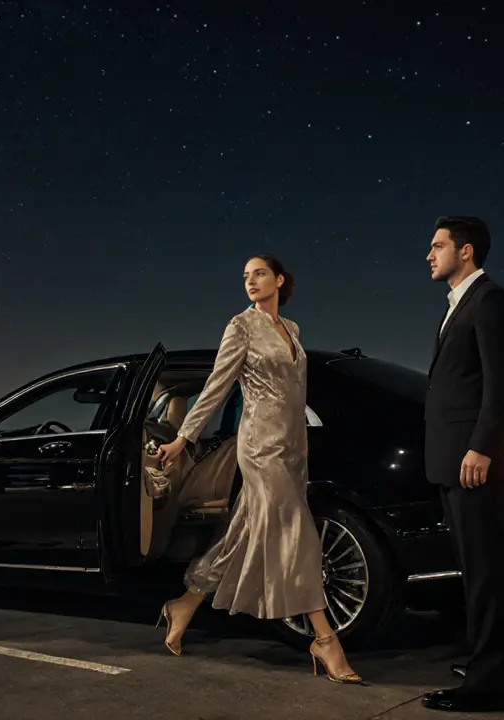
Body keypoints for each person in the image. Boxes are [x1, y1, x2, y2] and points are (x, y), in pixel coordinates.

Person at [154, 253, 362, 685]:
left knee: (246, 530)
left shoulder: (293, 331)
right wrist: (183, 437)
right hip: (259, 446)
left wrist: (303, 444)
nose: (250, 281)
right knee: (294, 528)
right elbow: (217, 385)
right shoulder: (241, 326)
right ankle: (324, 638)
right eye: (245, 276)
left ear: (279, 280)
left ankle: (185, 604)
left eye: (259, 273)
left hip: (291, 446)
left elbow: (296, 392)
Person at [420, 216, 504, 713]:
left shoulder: (490, 300)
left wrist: (482, 446)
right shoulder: (458, 305)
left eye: (437, 246)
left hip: (473, 462)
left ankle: (490, 686)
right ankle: (490, 665)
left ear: (465, 251)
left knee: (488, 575)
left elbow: (502, 383)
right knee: (475, 572)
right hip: (453, 461)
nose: (429, 255)